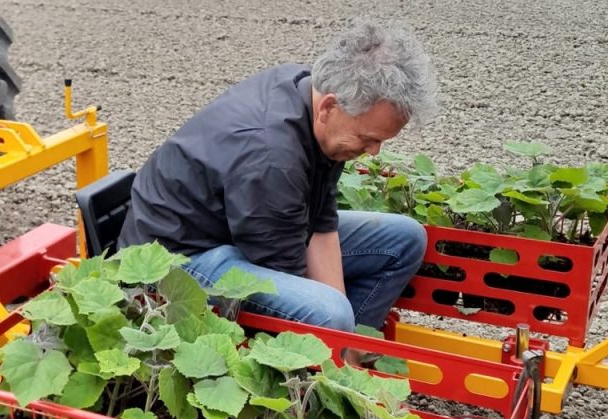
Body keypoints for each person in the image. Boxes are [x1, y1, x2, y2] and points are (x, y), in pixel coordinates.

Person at [118, 21, 437, 338]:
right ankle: (324, 368)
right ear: (329, 106)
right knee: (329, 314)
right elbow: (283, 270)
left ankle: (349, 351)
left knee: (404, 239)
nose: (375, 151)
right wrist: (330, 320)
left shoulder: (312, 98)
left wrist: (345, 334)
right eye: (367, 138)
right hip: (175, 258)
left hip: (234, 230)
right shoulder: (271, 155)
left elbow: (321, 224)